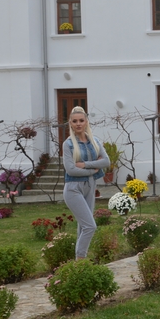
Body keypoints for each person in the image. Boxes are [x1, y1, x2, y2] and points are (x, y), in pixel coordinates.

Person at [62, 106, 110, 259]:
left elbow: (106, 161)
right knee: (90, 226)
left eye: (81, 120)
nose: (78, 124)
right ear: (70, 123)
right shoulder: (68, 144)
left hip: (90, 185)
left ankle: (80, 263)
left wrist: (84, 165)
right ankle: (81, 260)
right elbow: (71, 170)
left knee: (83, 226)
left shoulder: (95, 141)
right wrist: (93, 170)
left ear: (86, 122)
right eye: (75, 121)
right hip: (73, 188)